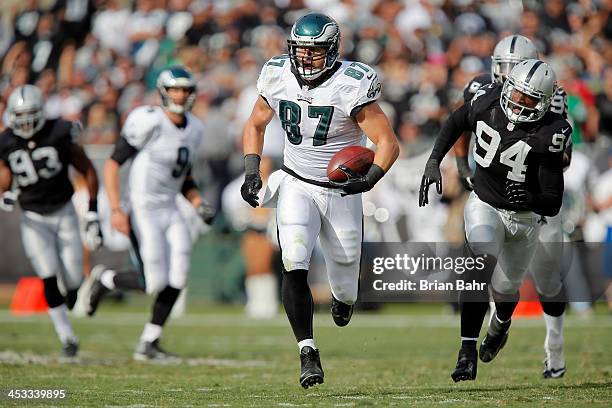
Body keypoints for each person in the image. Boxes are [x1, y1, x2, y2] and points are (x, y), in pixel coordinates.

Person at [240, 13, 399, 388]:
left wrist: (370, 178)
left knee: (345, 282)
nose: (305, 58)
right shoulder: (277, 74)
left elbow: (388, 143)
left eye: (314, 51)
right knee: (294, 258)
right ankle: (307, 351)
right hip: (296, 183)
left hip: (342, 189)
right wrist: (252, 171)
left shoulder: (351, 84)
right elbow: (255, 124)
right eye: (300, 50)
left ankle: (344, 301)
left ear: (331, 50)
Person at [419, 59, 571, 382]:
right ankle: (466, 352)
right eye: (516, 93)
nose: (519, 101)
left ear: (544, 103)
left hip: (526, 221)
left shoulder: (550, 131)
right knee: (479, 264)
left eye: (529, 99)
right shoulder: (487, 98)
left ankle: (501, 322)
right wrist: (435, 161)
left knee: (505, 291)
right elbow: (455, 122)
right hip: (484, 203)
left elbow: (553, 199)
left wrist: (530, 198)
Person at [83, 66, 215, 361]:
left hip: (171, 207)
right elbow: (113, 164)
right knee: (153, 281)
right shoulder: (148, 121)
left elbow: (185, 177)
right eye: (175, 90)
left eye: (186, 90)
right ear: (163, 92)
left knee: (178, 278)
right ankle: (105, 280)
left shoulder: (195, 127)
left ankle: (149, 342)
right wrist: (117, 208)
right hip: (142, 207)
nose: (181, 95)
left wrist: (197, 203)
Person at [0, 84, 101, 357]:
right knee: (47, 275)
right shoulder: (6, 141)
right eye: (19, 115)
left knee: (71, 280)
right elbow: (5, 174)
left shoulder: (60, 131)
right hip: (33, 217)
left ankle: (73, 301)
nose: (25, 121)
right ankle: (67, 337)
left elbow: (87, 168)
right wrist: (5, 192)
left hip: (63, 211)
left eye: (30, 114)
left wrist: (91, 210)